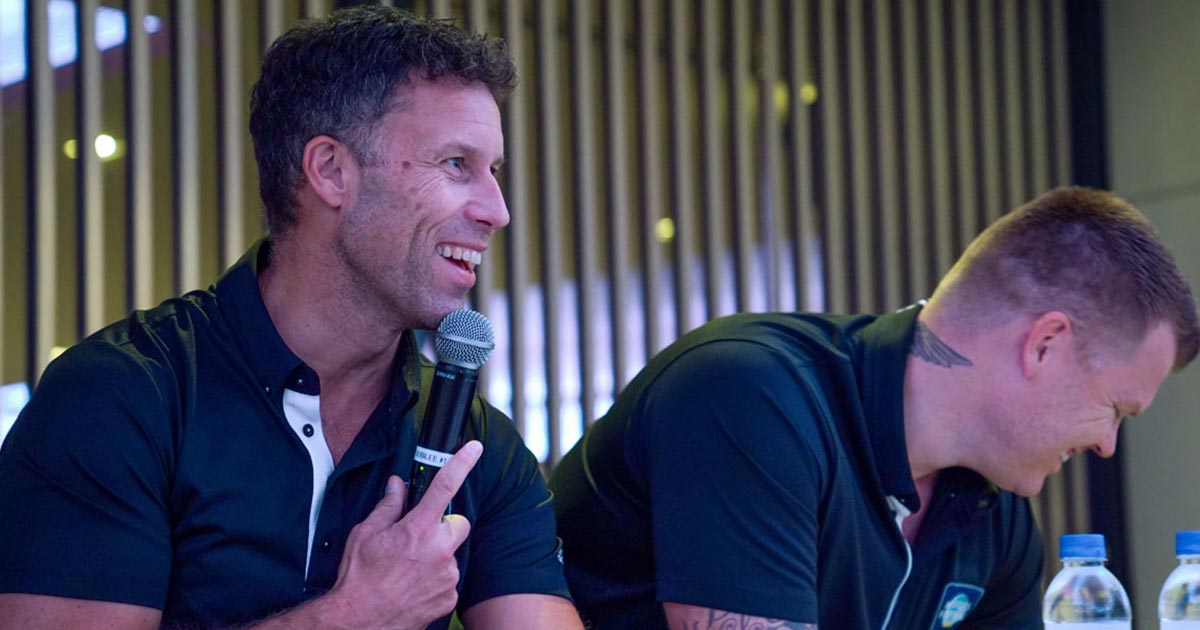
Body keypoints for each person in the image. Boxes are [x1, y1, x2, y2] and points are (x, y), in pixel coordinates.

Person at [0, 7, 582, 630]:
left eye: (493, 170)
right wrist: (356, 614)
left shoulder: (478, 443)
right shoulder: (122, 397)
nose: (497, 210)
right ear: (330, 171)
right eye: (456, 164)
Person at [548, 186, 1200, 629]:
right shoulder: (751, 395)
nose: (1107, 445)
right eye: (1115, 408)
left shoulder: (995, 515)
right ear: (1045, 344)